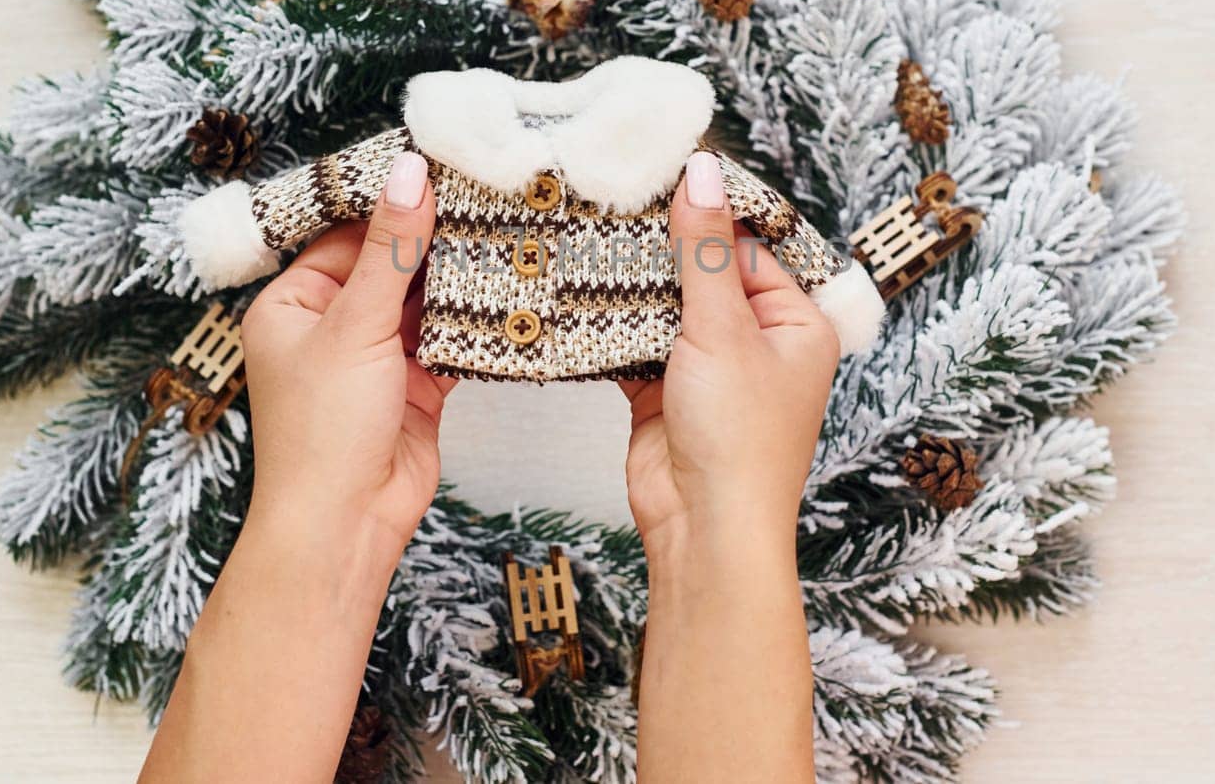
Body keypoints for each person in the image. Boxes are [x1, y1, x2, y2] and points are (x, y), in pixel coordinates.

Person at [140, 151, 839, 783]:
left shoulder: (656, 152)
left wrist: (321, 506)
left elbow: (768, 213)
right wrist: (725, 518)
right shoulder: (453, 142)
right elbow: (330, 184)